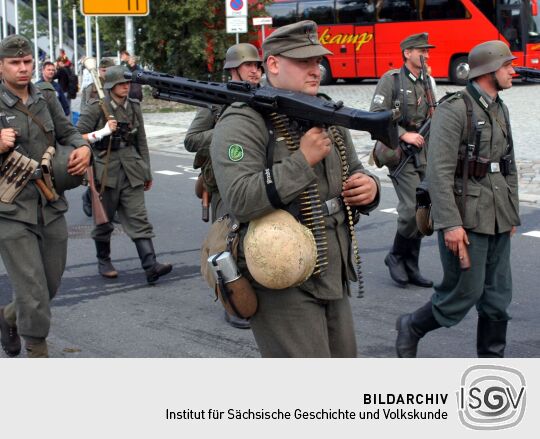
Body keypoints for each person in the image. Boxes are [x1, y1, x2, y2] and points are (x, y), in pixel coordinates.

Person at [210, 21, 381, 357]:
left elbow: (354, 169)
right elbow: (241, 200)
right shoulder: (243, 120)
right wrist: (303, 160)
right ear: (273, 65)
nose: (315, 70)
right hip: (282, 275)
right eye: (304, 62)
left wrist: (370, 189)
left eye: (317, 61)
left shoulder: (325, 109)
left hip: (332, 266)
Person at [395, 40, 520, 358]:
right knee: (463, 292)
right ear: (489, 71)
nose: (513, 71)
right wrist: (450, 224)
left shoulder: (500, 108)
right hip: (466, 215)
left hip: (497, 215)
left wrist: (511, 215)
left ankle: (493, 367)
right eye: (507, 66)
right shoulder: (456, 108)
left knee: (498, 296)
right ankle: (412, 325)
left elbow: (509, 166)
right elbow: (438, 173)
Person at [0, 35, 91, 358]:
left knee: (50, 284)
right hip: (10, 210)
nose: (23, 68)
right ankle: (37, 352)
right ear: (1, 66)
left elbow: (68, 130)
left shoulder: (46, 97)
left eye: (27, 62)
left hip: (49, 201)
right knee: (33, 290)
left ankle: (9, 316)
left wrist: (83, 148)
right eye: (15, 63)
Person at [184, 43, 263, 330]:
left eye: (258, 65)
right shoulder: (216, 100)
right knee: (226, 245)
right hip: (222, 182)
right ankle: (231, 301)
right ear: (233, 70)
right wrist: (227, 134)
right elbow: (191, 139)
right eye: (249, 65)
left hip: (254, 178)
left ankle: (253, 294)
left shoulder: (263, 97)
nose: (255, 70)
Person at [77, 66, 172, 283]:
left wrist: (147, 171)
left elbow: (142, 140)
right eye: (122, 83)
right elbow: (76, 136)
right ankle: (104, 260)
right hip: (105, 170)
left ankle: (151, 266)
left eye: (128, 83)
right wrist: (102, 132)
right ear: (110, 86)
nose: (126, 87)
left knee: (139, 217)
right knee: (104, 222)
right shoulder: (96, 108)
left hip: (132, 168)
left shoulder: (134, 106)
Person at [369, 32, 435, 288]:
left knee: (424, 210)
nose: (426, 54)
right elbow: (376, 115)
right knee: (410, 210)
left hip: (424, 154)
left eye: (427, 51)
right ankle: (395, 255)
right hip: (401, 154)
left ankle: (411, 264)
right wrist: (403, 134)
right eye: (421, 50)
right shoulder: (392, 81)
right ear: (407, 53)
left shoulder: (427, 83)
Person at [80, 57, 117, 217]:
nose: (106, 73)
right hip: (96, 132)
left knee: (112, 172)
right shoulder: (90, 89)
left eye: (109, 70)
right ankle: (89, 197)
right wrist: (97, 133)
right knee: (99, 173)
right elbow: (85, 113)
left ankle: (112, 208)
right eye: (103, 70)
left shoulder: (115, 86)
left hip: (114, 130)